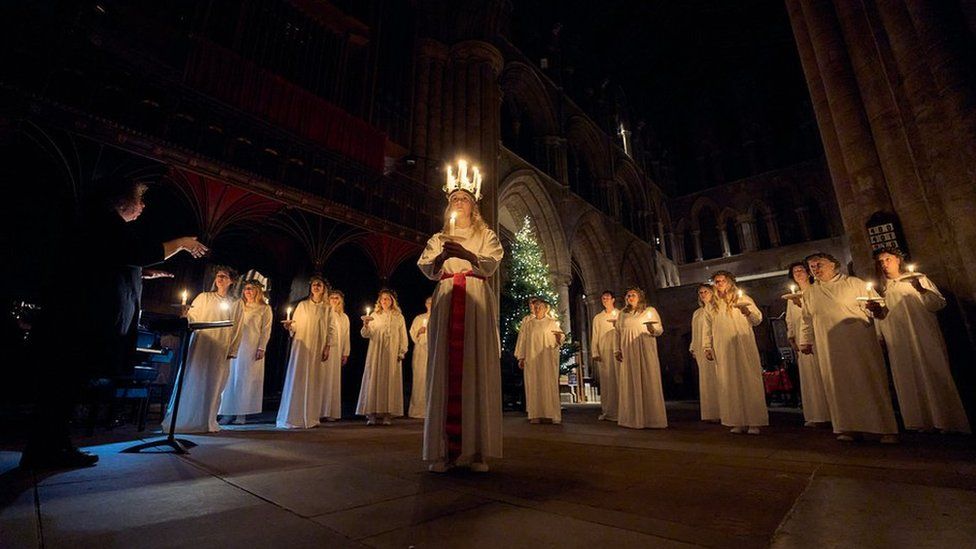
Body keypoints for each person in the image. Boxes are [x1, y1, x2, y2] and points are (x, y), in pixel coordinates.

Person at [21, 175, 208, 468]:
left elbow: (109, 262)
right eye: (139, 199)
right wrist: (181, 243)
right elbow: (138, 253)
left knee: (65, 390)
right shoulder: (105, 222)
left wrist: (143, 274)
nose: (143, 206)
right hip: (79, 323)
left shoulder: (102, 225)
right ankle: (45, 452)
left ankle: (51, 448)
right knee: (62, 390)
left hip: (79, 322)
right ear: (122, 200)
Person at [417, 177, 503, 473]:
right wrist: (443, 255)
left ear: (473, 206)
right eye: (454, 199)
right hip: (447, 296)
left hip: (475, 297)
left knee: (476, 367)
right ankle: (442, 451)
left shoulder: (486, 234)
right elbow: (426, 267)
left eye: (464, 198)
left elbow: (491, 262)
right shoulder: (438, 237)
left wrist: (468, 255)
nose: (458, 202)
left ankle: (477, 451)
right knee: (443, 367)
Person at [798, 252, 898, 443]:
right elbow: (807, 319)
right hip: (829, 345)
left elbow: (878, 307)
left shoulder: (854, 283)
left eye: (819, 265)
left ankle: (884, 428)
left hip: (858, 341)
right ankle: (848, 426)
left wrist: (876, 309)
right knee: (838, 384)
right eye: (812, 267)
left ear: (833, 265)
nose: (816, 270)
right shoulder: (810, 292)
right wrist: (806, 340)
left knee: (868, 380)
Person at [873, 249, 970, 434]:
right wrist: (880, 333)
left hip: (922, 333)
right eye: (880, 261)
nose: (884, 264)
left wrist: (920, 289)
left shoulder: (917, 278)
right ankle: (919, 420)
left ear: (898, 260)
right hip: (898, 338)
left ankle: (946, 420)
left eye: (888, 259)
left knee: (932, 371)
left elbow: (938, 303)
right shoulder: (883, 287)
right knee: (908, 376)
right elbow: (882, 315)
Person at [162, 266, 244, 433]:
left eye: (223, 276)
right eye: (218, 276)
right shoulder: (204, 297)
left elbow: (238, 328)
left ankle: (206, 420)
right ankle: (185, 418)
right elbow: (194, 318)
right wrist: (185, 314)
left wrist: (232, 350)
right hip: (201, 344)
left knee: (214, 383)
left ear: (231, 281)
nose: (219, 279)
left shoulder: (236, 303)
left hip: (220, 347)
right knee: (194, 377)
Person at [702, 271, 768, 435]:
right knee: (728, 381)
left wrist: (747, 312)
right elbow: (707, 328)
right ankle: (736, 420)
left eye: (722, 281)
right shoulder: (712, 304)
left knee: (748, 378)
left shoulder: (743, 299)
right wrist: (707, 347)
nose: (719, 284)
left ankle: (754, 421)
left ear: (730, 282)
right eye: (716, 282)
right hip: (723, 347)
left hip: (742, 344)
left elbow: (757, 319)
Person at [277, 275, 335, 429]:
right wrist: (290, 327)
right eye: (314, 284)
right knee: (299, 376)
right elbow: (295, 325)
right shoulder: (303, 305)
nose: (316, 287)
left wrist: (327, 346)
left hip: (317, 347)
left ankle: (310, 416)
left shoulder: (328, 308)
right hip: (302, 347)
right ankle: (293, 416)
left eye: (319, 285)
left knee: (314, 379)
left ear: (323, 289)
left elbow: (330, 329)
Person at [218, 278, 272, 425]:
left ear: (258, 291)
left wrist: (262, 347)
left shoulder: (264, 308)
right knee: (230, 378)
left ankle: (241, 414)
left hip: (251, 347)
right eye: (246, 288)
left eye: (251, 288)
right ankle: (227, 412)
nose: (248, 291)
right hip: (236, 344)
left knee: (244, 379)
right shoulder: (238, 305)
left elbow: (266, 330)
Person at [613, 287, 667, 429]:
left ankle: (652, 418)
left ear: (640, 297)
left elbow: (659, 330)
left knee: (648, 378)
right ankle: (631, 418)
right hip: (628, 350)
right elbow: (617, 333)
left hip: (644, 348)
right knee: (630, 380)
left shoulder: (649, 311)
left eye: (633, 295)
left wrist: (652, 330)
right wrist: (617, 349)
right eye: (628, 295)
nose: (630, 297)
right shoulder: (622, 314)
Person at [785, 262, 830, 427]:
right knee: (809, 377)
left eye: (800, 270)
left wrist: (802, 304)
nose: (797, 273)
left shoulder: (816, 290)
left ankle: (831, 413)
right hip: (800, 339)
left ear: (808, 273)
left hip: (817, 336)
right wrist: (791, 337)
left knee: (822, 373)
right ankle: (816, 415)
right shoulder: (792, 297)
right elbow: (790, 318)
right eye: (794, 271)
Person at [357, 289, 409, 425]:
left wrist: (401, 351)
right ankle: (371, 414)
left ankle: (387, 414)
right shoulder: (375, 315)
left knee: (389, 380)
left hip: (391, 353)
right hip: (376, 352)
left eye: (388, 299)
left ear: (392, 301)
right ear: (379, 301)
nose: (385, 301)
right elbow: (366, 334)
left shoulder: (398, 316)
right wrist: (366, 325)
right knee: (374, 378)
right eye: (383, 299)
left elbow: (403, 334)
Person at [515, 297, 563, 424]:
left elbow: (560, 337)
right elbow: (523, 341)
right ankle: (535, 414)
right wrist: (521, 357)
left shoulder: (552, 322)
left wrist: (559, 338)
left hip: (547, 360)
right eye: (535, 307)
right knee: (534, 385)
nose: (537, 309)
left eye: (540, 307)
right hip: (532, 360)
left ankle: (553, 414)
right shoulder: (529, 324)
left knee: (549, 384)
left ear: (546, 308)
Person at [689, 284, 719, 423]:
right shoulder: (697, 313)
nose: (703, 294)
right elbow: (695, 331)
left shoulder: (716, 308)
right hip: (701, 348)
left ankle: (724, 411)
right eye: (700, 293)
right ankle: (711, 412)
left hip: (715, 346)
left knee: (718, 378)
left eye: (705, 292)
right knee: (707, 380)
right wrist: (693, 347)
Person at [320, 290, 351, 422]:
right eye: (331, 297)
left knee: (332, 379)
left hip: (336, 351)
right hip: (325, 350)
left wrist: (345, 352)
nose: (333, 300)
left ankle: (330, 411)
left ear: (340, 301)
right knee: (322, 378)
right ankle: (319, 410)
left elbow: (346, 336)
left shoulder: (343, 317)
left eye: (336, 298)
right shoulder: (324, 313)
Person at [590, 290, 620, 421]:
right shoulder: (598, 318)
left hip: (617, 350)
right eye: (603, 298)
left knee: (618, 379)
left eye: (607, 298)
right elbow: (595, 335)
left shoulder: (620, 315)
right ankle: (608, 410)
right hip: (604, 351)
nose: (605, 300)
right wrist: (595, 351)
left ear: (613, 300)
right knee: (606, 381)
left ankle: (622, 410)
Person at [408, 296, 432, 418]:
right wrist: (419, 332)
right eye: (428, 302)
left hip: (433, 351)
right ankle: (418, 410)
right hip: (420, 351)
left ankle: (431, 409)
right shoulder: (419, 318)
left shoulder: (438, 317)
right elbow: (412, 332)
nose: (430, 304)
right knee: (420, 378)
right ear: (425, 304)